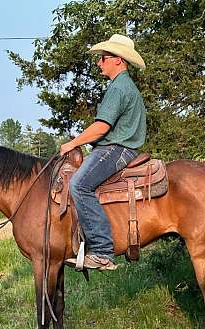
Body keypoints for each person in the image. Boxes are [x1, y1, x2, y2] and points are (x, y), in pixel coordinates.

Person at [60, 34, 147, 271]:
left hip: (116, 149)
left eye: (103, 58)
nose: (99, 63)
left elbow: (101, 127)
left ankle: (101, 251)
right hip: (119, 147)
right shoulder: (122, 85)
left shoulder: (119, 87)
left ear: (118, 60)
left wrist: (71, 143)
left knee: (79, 185)